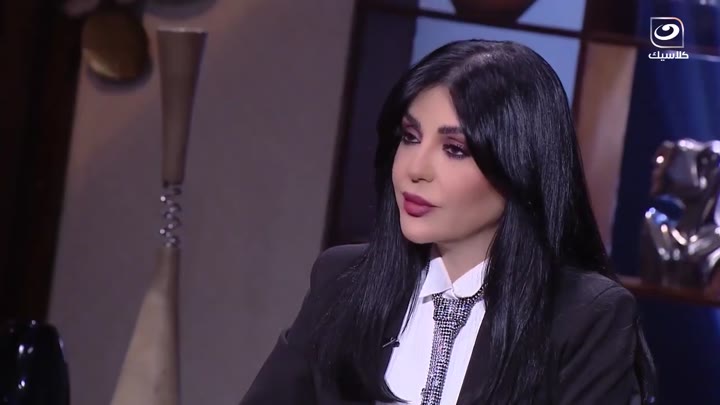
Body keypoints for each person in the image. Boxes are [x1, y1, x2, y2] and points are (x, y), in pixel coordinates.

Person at [239, 39, 657, 405]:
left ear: (518, 166)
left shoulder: (586, 316)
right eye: (410, 137)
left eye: (455, 149)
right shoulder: (342, 282)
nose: (415, 169)